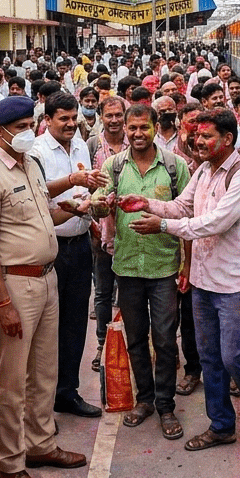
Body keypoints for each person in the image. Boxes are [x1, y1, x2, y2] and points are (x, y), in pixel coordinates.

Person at [123, 107, 240, 456]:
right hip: (205, 282)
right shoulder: (204, 170)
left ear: (227, 138)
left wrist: (163, 226)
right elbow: (182, 206)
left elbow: (215, 222)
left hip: (237, 284)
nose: (198, 142)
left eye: (206, 136)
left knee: (234, 356)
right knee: (209, 358)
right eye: (196, 136)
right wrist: (147, 203)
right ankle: (221, 426)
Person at [0, 96, 89, 478]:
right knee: (11, 381)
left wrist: (75, 208)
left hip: (46, 279)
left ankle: (40, 444)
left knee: (44, 372)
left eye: (28, 126)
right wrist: (3, 301)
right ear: (0, 132)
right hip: (15, 285)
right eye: (19, 128)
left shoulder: (30, 164)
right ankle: (10, 464)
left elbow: (44, 215)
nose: (27, 133)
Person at [91, 104, 190, 439]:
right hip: (128, 266)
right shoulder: (114, 166)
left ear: (155, 127)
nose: (137, 134)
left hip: (164, 268)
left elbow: (187, 216)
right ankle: (145, 400)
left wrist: (187, 264)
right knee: (135, 339)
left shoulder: (175, 167)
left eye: (143, 128)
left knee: (165, 339)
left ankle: (166, 406)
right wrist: (100, 204)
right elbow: (98, 204)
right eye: (131, 128)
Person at [29, 93, 106, 419]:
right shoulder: (36, 152)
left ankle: (67, 393)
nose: (71, 124)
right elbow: (36, 193)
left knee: (75, 324)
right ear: (47, 120)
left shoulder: (80, 147)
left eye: (74, 118)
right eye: (64, 119)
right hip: (51, 249)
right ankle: (41, 406)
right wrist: (72, 180)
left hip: (79, 246)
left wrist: (95, 199)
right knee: (47, 330)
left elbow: (84, 191)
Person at [86, 94, 128, 371]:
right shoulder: (92, 145)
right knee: (102, 292)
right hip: (100, 229)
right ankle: (102, 344)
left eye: (118, 115)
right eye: (109, 115)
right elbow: (84, 185)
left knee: (129, 291)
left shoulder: (134, 143)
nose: (114, 120)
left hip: (130, 229)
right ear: (101, 117)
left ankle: (125, 344)